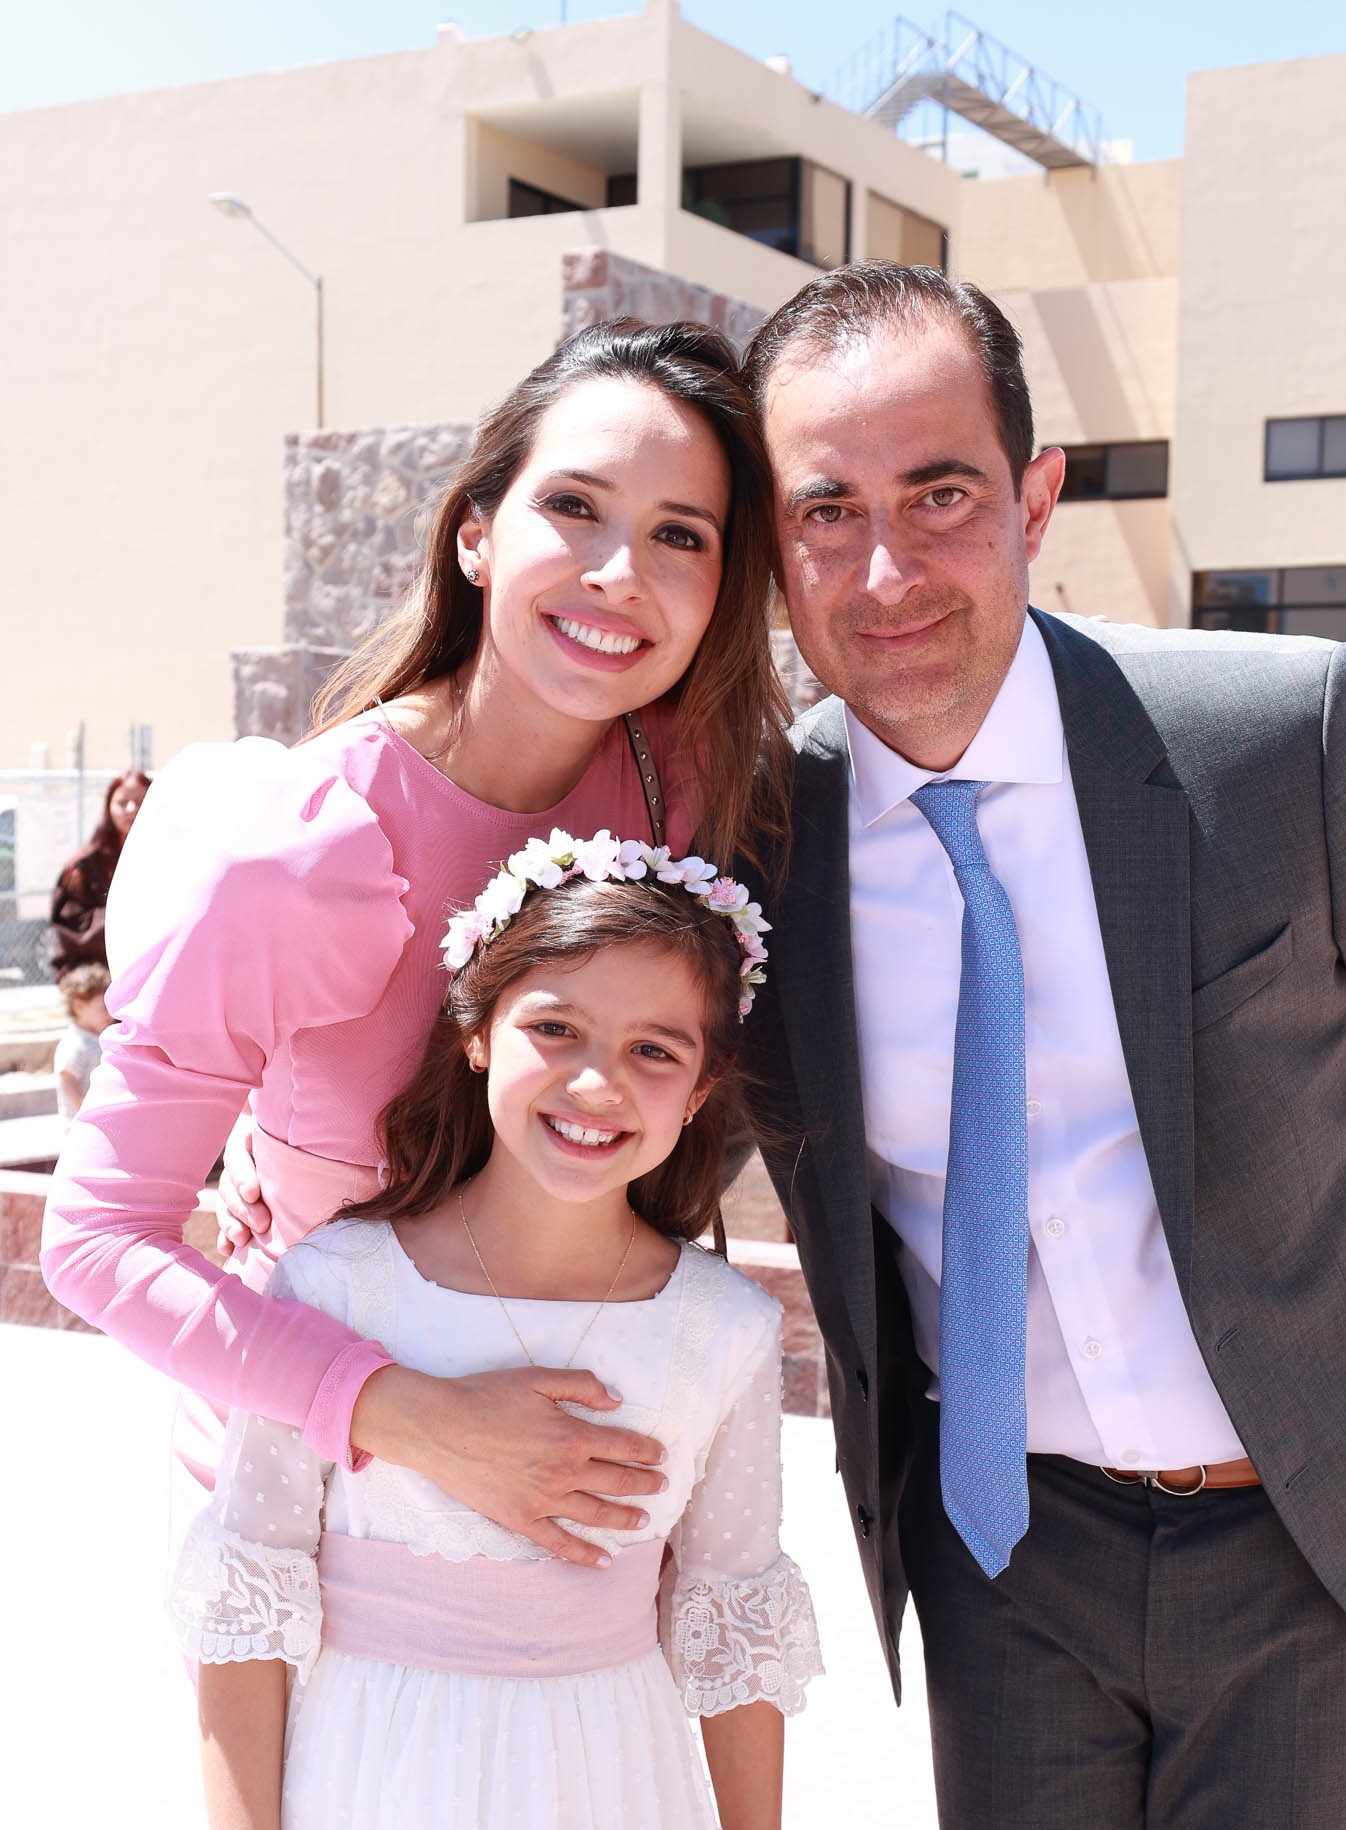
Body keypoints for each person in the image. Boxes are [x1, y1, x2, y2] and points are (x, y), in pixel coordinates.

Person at [734, 259, 1346, 1830]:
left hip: (1302, 1543)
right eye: (827, 512)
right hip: (1004, 1547)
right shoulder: (758, 836)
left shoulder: (1285, 736)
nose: (886, 571)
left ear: (1034, 494)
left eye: (939, 494)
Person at [41, 319, 790, 1562]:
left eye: (681, 535)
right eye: (574, 506)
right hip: (310, 1514)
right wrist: (415, 1417)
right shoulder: (294, 847)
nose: (620, 572)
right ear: (476, 534)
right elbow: (96, 1238)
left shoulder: (698, 795)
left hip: (592, 1500)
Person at [169, 834, 819, 1830]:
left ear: (702, 1088)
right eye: (555, 1028)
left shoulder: (721, 1328)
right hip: (373, 1807)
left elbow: (733, 1621)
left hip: (621, 1820)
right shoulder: (336, 1284)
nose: (597, 1082)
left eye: (655, 1049)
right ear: (476, 1029)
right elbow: (244, 1611)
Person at [46, 768, 149, 977]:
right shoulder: (81, 869)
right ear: (109, 807)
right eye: (122, 802)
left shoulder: (168, 858)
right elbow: (73, 929)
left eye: (141, 801)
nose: (132, 809)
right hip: (96, 974)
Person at [52, 964, 112, 1124]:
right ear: (78, 1006)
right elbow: (67, 1081)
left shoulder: (95, 1038)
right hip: (79, 1124)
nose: (111, 1013)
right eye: (104, 1008)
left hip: (96, 1120)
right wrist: (87, 1110)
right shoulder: (75, 1044)